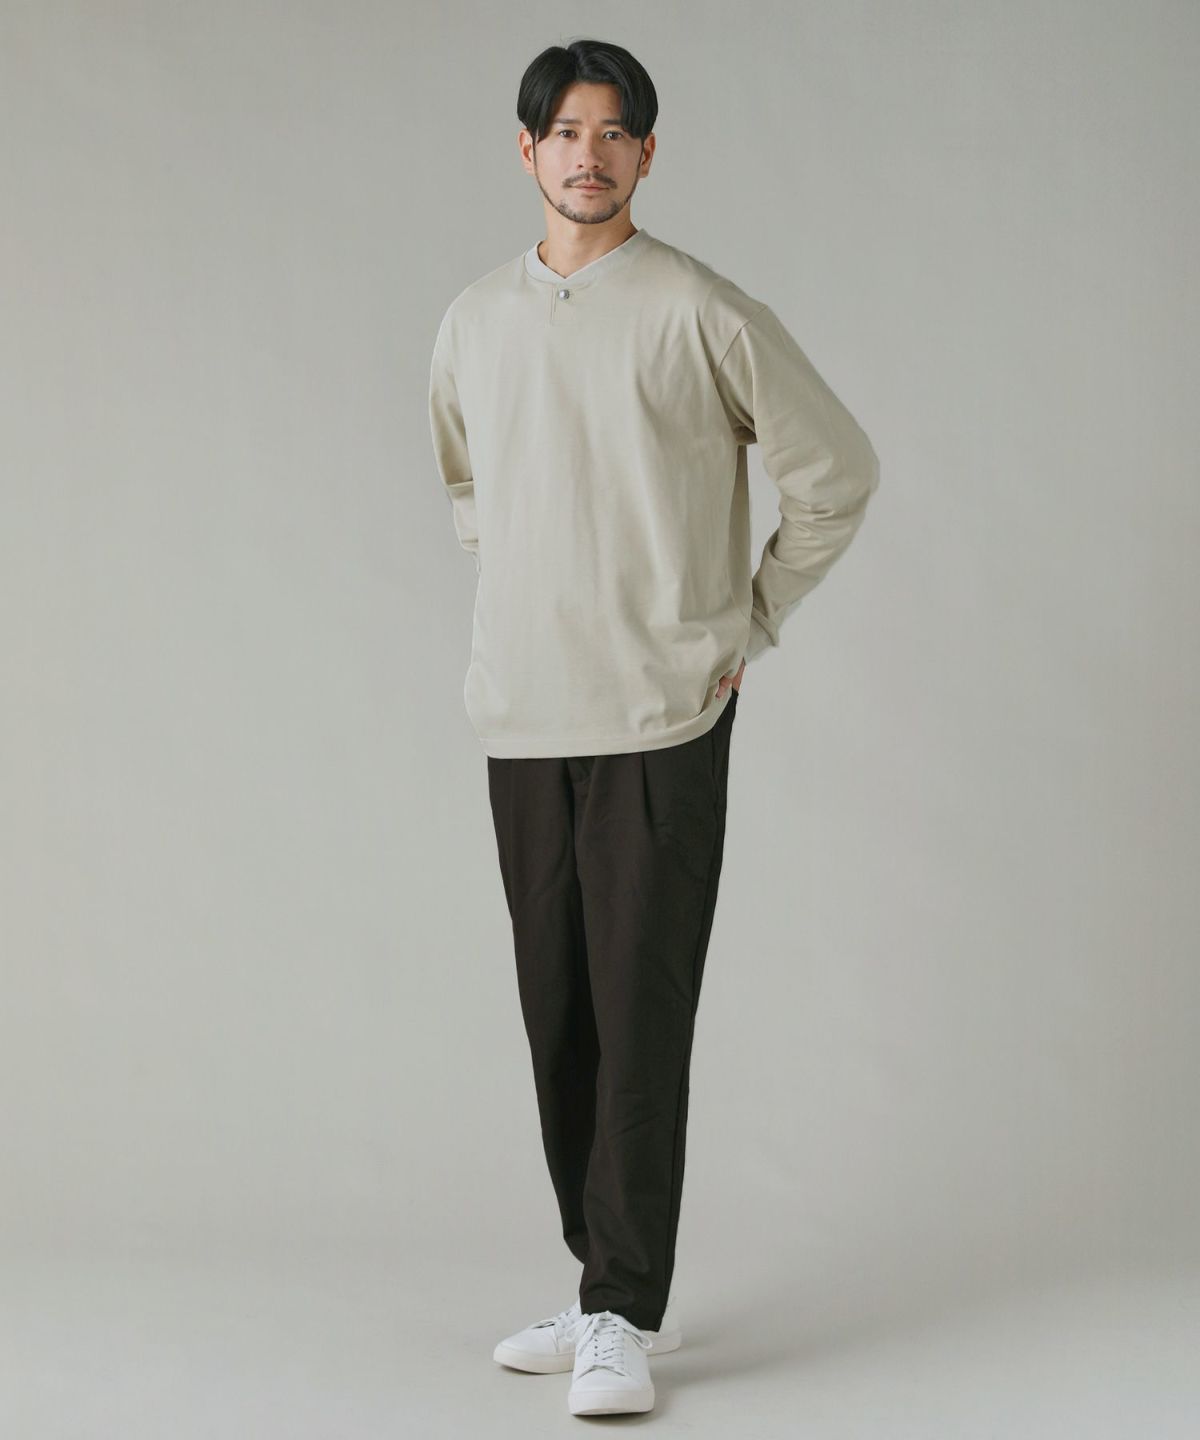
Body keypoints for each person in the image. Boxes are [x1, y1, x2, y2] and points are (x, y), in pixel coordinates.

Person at [428, 36, 880, 1419]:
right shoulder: (473, 322)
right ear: (526, 149)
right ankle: (598, 1285)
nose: (589, 153)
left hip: (660, 718)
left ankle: (626, 1304)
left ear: (647, 152)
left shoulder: (699, 310)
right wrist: (534, 590)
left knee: (640, 1007)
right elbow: (469, 486)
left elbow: (836, 472)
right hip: (522, 714)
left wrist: (744, 624)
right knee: (558, 1011)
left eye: (614, 131)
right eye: (565, 131)